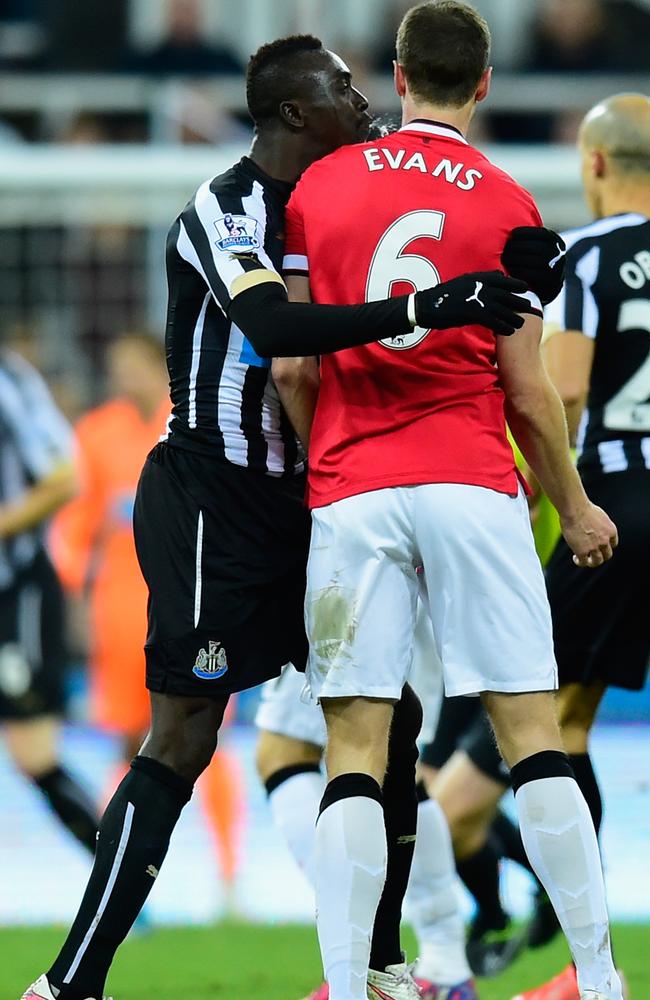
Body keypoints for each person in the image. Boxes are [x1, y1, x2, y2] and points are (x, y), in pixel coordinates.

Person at [20, 31, 564, 1000]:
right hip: (212, 500)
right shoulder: (226, 204)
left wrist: (518, 261)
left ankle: (387, 964)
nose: (362, 103)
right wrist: (432, 303)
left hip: (320, 496)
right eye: (342, 91)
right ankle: (71, 982)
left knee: (384, 723)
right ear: (291, 114)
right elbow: (273, 328)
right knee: (182, 738)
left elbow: (441, 231)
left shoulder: (341, 197)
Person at [281, 4, 622, 1000]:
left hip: (355, 486)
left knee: (351, 744)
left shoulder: (320, 186)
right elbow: (526, 389)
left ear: (395, 75)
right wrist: (573, 500)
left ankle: (350, 986)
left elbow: (295, 368)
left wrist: (326, 468)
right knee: (531, 732)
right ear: (480, 84)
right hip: (472, 481)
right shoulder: (507, 199)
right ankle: (598, 982)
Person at [511, 92, 650, 1000]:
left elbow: (562, 393)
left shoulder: (590, 255)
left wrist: (533, 500)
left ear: (593, 163)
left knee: (551, 724)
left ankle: (584, 966)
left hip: (621, 504)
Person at [50, 331, 243, 899]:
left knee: (207, 734)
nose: (123, 376)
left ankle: (230, 871)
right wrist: (74, 601)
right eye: (116, 367)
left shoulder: (189, 422)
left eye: (132, 364)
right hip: (117, 608)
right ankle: (114, 867)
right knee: (128, 740)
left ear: (158, 366)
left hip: (188, 603)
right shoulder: (95, 434)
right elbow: (75, 530)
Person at [256, 603, 476, 1000]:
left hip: (348, 585)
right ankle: (442, 963)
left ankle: (363, 967)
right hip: (414, 583)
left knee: (294, 752)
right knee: (393, 756)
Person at [0, 346, 100, 861]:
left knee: (35, 754)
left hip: (14, 589)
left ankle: (120, 883)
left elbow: (66, 478)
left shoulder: (8, 380)